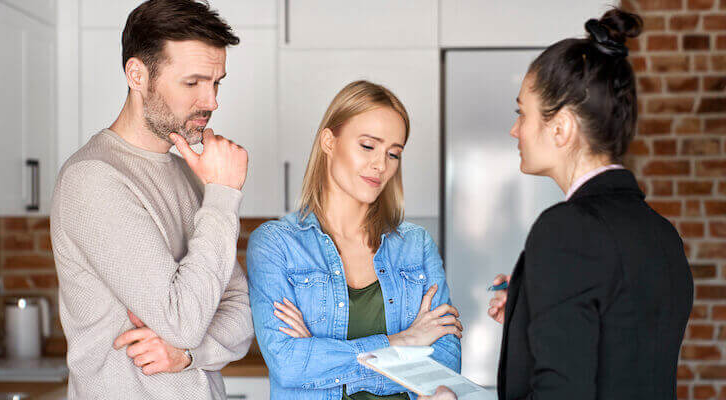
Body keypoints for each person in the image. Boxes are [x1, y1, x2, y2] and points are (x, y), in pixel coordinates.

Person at [480, 7, 694, 400]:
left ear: (561, 128)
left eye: (521, 113)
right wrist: (534, 304)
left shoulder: (565, 230)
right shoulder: (663, 235)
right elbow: (619, 347)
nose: (515, 129)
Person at [49, 1, 253, 398]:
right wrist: (224, 195)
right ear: (137, 74)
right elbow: (182, 322)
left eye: (216, 83)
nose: (211, 102)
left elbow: (241, 314)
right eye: (192, 83)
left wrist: (189, 356)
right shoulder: (93, 180)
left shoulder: (190, 176)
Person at [246, 80, 462, 400]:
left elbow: (445, 365)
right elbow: (288, 365)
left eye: (393, 153)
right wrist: (403, 342)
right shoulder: (276, 244)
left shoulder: (416, 245)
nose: (381, 165)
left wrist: (323, 358)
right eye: (367, 146)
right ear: (329, 141)